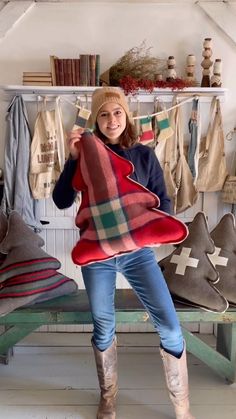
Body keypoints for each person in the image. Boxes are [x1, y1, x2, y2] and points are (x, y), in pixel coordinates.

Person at [52, 87, 195, 419]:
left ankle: (182, 406)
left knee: (170, 327)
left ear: (126, 116)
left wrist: (149, 233)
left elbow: (164, 201)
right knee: (103, 325)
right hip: (98, 256)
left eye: (117, 112)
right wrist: (72, 159)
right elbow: (61, 200)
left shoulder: (143, 155)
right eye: (103, 113)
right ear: (95, 120)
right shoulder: (84, 155)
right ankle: (109, 397)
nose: (111, 119)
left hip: (138, 254)